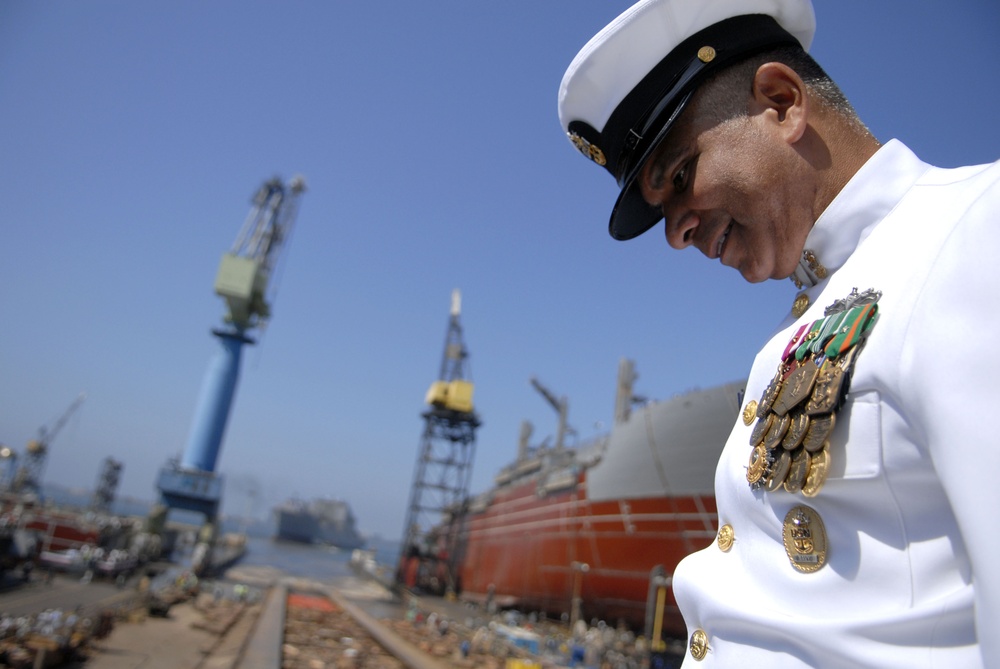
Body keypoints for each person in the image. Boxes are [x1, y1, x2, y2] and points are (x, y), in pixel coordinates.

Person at [557, 1, 999, 667]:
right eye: (665, 213)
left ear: (783, 102)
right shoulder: (799, 331)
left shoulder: (973, 232)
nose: (678, 232)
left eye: (680, 176)